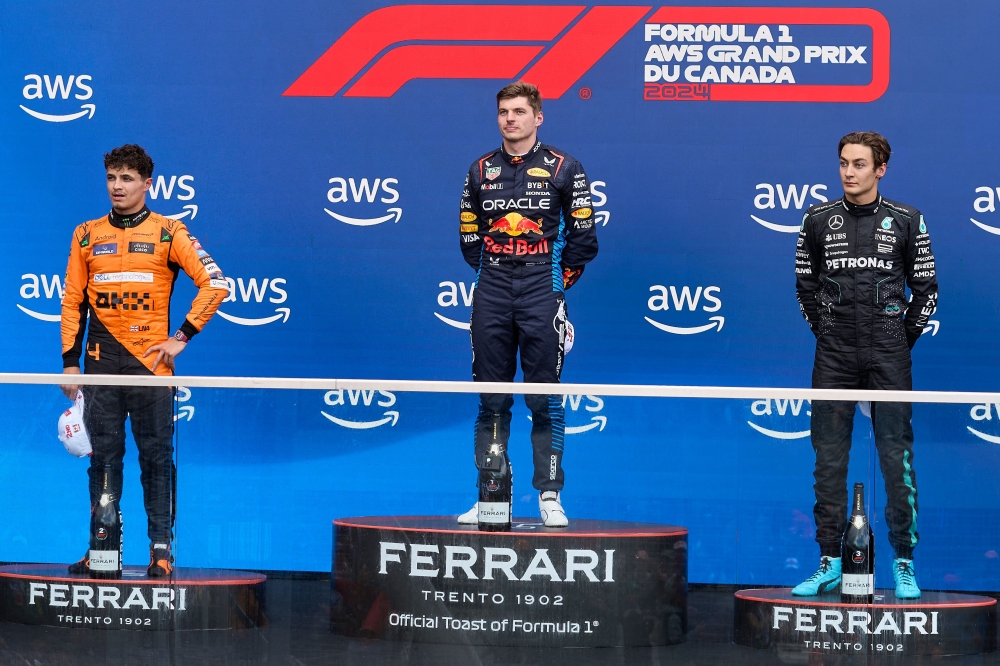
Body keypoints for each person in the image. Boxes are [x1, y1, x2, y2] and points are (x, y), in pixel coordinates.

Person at [59, 144, 228, 576]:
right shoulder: (85, 234)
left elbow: (216, 284)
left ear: (147, 184)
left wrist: (182, 336)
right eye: (112, 177)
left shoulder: (170, 232)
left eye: (127, 178)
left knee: (156, 458)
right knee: (103, 459)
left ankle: (161, 552)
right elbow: (73, 302)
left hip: (151, 367)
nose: (118, 186)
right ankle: (103, 552)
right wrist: (69, 363)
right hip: (98, 364)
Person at [793, 132, 937, 599]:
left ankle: (903, 563)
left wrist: (899, 339)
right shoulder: (817, 220)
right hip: (833, 355)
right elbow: (805, 289)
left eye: (858, 164)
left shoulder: (907, 220)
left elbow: (927, 290)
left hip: (889, 354)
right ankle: (830, 561)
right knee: (828, 460)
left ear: (881, 169)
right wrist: (830, 333)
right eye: (843, 164)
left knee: (897, 458)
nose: (848, 172)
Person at [456, 81, 598, 528]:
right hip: (492, 292)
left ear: (538, 117)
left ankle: (550, 495)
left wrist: (553, 281)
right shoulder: (479, 170)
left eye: (519, 111)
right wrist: (497, 272)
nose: (510, 119)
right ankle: (491, 498)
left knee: (545, 397)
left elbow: (585, 240)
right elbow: (468, 239)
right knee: (491, 398)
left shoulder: (565, 168)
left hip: (542, 291)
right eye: (503, 112)